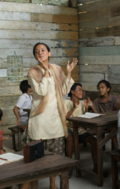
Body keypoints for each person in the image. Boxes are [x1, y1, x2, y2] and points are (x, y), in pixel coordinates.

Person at [26, 42, 77, 189]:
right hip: (40, 120)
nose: (40, 53)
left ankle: (52, 184)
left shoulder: (57, 69)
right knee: (37, 156)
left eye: (43, 50)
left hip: (55, 119)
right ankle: (35, 185)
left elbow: (65, 90)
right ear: (35, 56)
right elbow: (41, 91)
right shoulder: (32, 71)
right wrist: (46, 73)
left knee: (55, 155)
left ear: (49, 53)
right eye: (37, 51)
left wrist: (68, 73)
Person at [64, 83, 97, 176]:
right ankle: (69, 167)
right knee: (70, 138)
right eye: (79, 90)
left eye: (82, 90)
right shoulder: (66, 103)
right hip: (69, 127)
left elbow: (85, 121)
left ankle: (96, 167)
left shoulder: (82, 103)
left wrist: (86, 108)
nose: (81, 92)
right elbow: (64, 118)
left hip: (79, 129)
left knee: (94, 141)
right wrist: (74, 108)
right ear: (72, 92)